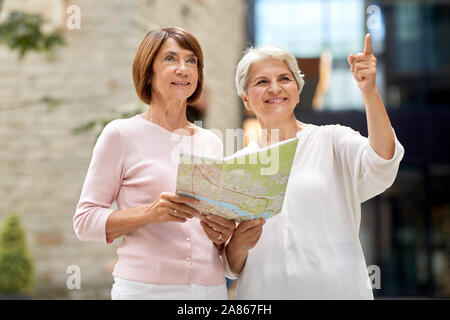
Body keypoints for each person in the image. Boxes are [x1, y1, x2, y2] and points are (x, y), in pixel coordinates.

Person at [225, 34, 405, 299]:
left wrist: (369, 91)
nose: (274, 88)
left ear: (297, 91)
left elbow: (383, 160)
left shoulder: (331, 139)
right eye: (261, 82)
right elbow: (230, 266)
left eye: (284, 79)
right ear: (246, 100)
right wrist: (239, 243)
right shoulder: (235, 167)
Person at [73, 27, 235, 300]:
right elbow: (85, 220)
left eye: (192, 60)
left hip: (210, 290)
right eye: (170, 59)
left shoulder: (212, 142)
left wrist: (223, 232)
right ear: (147, 72)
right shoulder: (120, 134)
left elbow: (216, 237)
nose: (183, 68)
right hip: (145, 290)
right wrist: (150, 214)